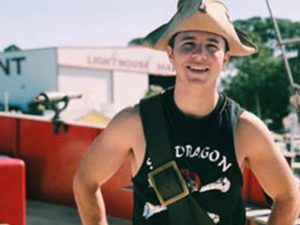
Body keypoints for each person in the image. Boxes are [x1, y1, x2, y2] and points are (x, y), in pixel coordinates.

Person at [73, 0, 300, 224]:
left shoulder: (244, 128)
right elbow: (85, 181)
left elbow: (288, 197)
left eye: (212, 46)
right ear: (171, 54)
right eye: (188, 44)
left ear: (226, 58)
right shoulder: (134, 122)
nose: (199, 55)